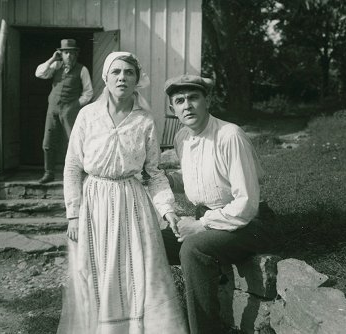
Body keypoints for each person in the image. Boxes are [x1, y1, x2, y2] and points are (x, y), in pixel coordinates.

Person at [58, 52, 188, 334]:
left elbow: (153, 173)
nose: (122, 77)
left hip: (131, 204)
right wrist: (73, 214)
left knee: (137, 272)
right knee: (97, 272)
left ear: (137, 79)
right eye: (116, 72)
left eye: (129, 72)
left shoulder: (144, 121)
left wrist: (168, 210)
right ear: (105, 77)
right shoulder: (87, 116)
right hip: (94, 202)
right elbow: (72, 167)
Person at [162, 74, 273, 334]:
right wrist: (166, 180)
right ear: (172, 109)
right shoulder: (182, 139)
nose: (187, 105)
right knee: (150, 242)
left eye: (193, 98)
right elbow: (200, 179)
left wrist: (201, 224)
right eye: (179, 101)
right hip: (215, 220)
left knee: (193, 249)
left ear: (207, 100)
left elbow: (246, 203)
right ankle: (167, 324)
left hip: (251, 223)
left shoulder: (229, 135)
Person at [35, 39, 93, 183]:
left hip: (70, 110)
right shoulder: (55, 66)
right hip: (53, 110)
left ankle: (76, 174)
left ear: (76, 54)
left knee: (74, 143)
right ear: (61, 54)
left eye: (72, 53)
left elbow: (88, 92)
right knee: (48, 142)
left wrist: (75, 106)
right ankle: (49, 173)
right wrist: (52, 59)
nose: (69, 56)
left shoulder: (82, 69)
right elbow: (39, 73)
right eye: (66, 53)